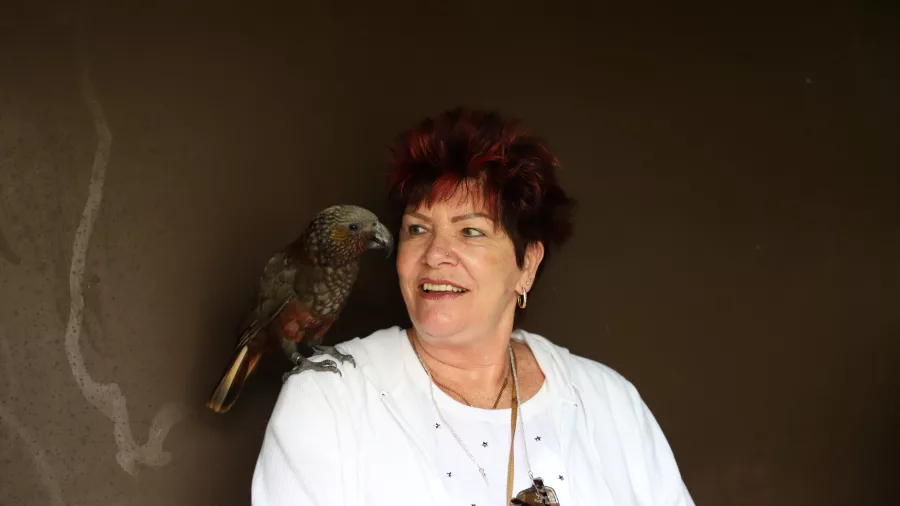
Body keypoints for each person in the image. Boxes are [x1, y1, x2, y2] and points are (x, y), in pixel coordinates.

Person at [251, 108, 695, 506]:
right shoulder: (331, 401)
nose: (435, 254)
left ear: (528, 265)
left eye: (472, 232)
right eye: (417, 229)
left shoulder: (607, 401)